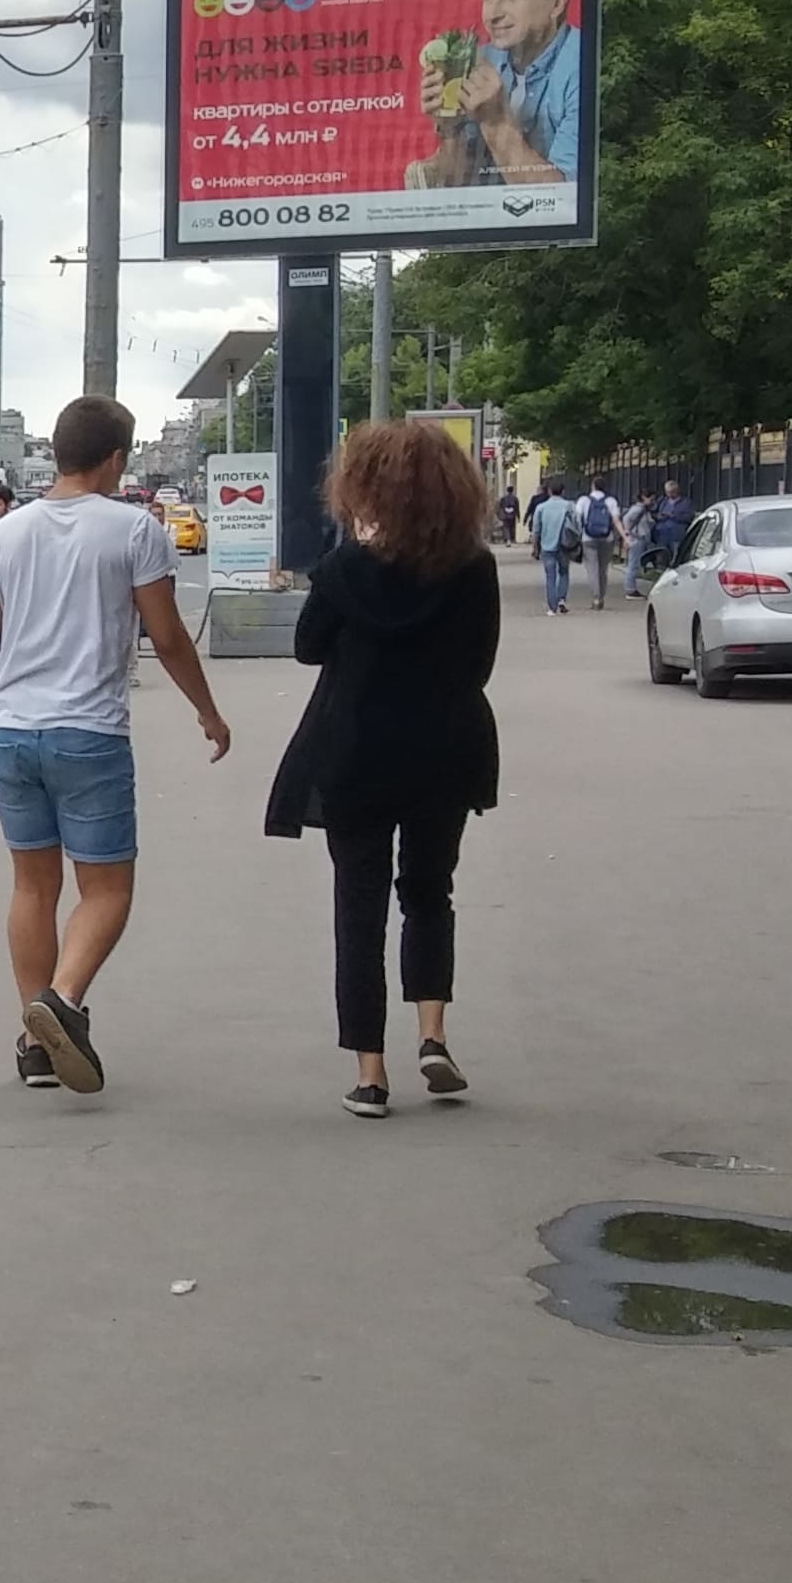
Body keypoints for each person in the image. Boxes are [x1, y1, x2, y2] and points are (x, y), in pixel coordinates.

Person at [0, 397, 234, 1094]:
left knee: (31, 886)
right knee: (105, 889)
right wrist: (209, 713)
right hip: (89, 732)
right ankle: (62, 1002)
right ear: (114, 458)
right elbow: (166, 637)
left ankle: (33, 1041)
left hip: (10, 732)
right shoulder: (135, 530)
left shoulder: (5, 534)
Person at [265, 422, 503, 1118]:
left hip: (356, 752)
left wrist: (352, 572)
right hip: (445, 750)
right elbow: (478, 666)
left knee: (358, 907)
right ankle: (433, 1034)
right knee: (430, 893)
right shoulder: (475, 569)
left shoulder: (343, 573)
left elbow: (308, 648)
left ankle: (371, 1074)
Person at [406, 0, 583, 189]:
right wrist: (449, 126)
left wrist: (495, 121)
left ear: (556, 3)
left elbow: (564, 201)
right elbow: (455, 184)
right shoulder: (481, 60)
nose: (493, 14)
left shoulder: (584, 65)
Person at [530, 481, 578, 613]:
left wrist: (535, 547)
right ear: (563, 492)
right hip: (565, 545)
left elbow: (536, 530)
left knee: (550, 576)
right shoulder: (569, 506)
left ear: (549, 491)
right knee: (564, 572)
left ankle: (552, 607)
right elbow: (577, 525)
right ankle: (561, 598)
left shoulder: (541, 507)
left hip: (547, 546)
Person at [577, 483, 620, 608]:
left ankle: (595, 598)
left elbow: (577, 517)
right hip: (607, 538)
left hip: (588, 538)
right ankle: (602, 596)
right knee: (603, 569)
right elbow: (615, 519)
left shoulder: (584, 500)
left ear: (593, 486)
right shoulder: (611, 500)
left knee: (592, 569)